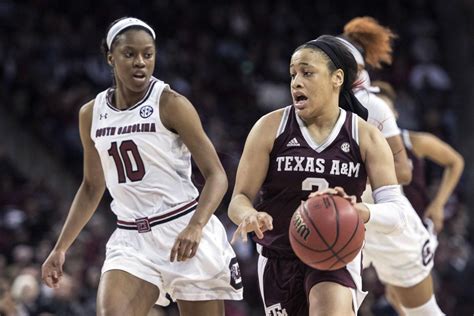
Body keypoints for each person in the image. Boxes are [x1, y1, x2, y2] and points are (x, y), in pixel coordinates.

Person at [41, 17, 243, 316]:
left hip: (183, 229)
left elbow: (217, 176)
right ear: (111, 57)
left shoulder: (171, 103)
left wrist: (196, 226)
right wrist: (60, 248)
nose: (140, 62)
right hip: (132, 238)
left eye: (148, 54)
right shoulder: (91, 114)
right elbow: (91, 186)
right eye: (130, 54)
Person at [228, 35, 415, 316]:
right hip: (279, 257)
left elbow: (398, 213)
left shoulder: (365, 136)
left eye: (307, 72)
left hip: (335, 254)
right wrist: (248, 215)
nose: (296, 82)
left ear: (336, 78)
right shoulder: (269, 128)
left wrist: (359, 211)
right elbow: (239, 199)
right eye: (292, 74)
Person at [340, 17, 445, 315]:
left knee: (419, 311)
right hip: (345, 222)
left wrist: (353, 179)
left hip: (384, 219)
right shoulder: (312, 112)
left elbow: (404, 172)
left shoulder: (372, 107)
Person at [373, 80, 464, 234]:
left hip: (414, 228)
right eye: (376, 112)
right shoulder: (357, 146)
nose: (381, 118)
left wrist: (438, 204)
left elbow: (455, 162)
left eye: (385, 112)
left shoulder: (414, 142)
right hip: (376, 230)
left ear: (395, 113)